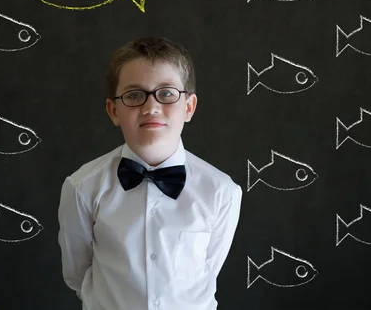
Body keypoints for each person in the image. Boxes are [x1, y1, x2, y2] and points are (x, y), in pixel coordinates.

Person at [58, 37, 242, 310]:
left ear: (189, 107)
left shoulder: (221, 191)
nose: (151, 107)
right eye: (134, 95)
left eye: (166, 93)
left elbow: (208, 269)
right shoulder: (82, 187)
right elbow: (77, 273)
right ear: (113, 111)